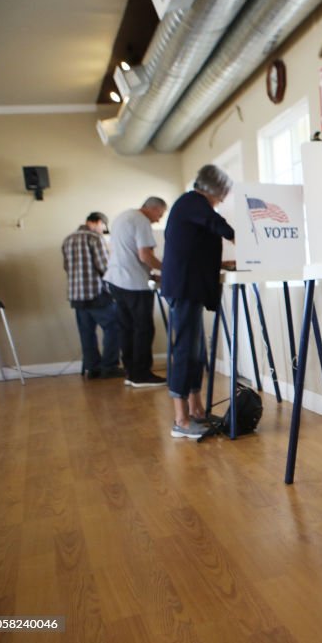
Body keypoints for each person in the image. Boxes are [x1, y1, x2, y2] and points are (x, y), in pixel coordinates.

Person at [161, 165, 236, 439]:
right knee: (184, 350)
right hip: (184, 288)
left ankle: (196, 410)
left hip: (188, 286)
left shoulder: (191, 205)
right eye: (223, 194)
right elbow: (219, 226)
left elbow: (196, 246)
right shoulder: (193, 202)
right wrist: (246, 241)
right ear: (216, 189)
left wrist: (223, 261)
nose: (222, 200)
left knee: (195, 352)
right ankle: (180, 419)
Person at [105, 196, 167, 388]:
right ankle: (141, 375)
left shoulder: (123, 217)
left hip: (116, 280)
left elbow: (129, 253)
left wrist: (150, 274)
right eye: (160, 214)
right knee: (143, 329)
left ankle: (131, 372)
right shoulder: (141, 221)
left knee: (127, 328)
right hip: (133, 284)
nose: (158, 219)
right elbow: (144, 254)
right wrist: (167, 270)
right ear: (152, 208)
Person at [61, 212, 121, 379]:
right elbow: (104, 267)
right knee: (114, 327)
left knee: (87, 332)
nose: (103, 230)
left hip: (76, 294)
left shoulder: (68, 239)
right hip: (96, 293)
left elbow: (66, 266)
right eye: (104, 227)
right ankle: (109, 367)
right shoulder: (94, 238)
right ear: (97, 222)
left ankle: (92, 368)